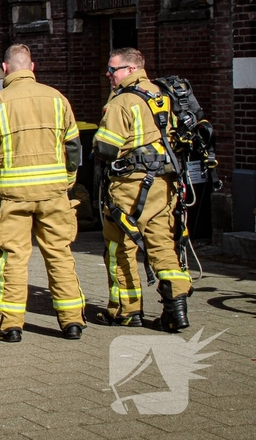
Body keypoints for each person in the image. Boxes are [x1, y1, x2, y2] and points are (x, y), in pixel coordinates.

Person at [0, 44, 86, 342]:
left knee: (12, 257)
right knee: (60, 254)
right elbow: (74, 148)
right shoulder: (57, 99)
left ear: (6, 69)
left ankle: (9, 325)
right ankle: (72, 321)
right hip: (54, 193)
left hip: (13, 196)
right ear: (32, 67)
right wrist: (68, 181)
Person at [93, 48, 192, 332]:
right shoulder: (165, 95)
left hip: (130, 188)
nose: (109, 75)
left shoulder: (122, 102)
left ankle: (126, 311)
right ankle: (176, 309)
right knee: (162, 243)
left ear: (131, 69)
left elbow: (105, 148)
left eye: (113, 70)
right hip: (164, 184)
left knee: (119, 247)